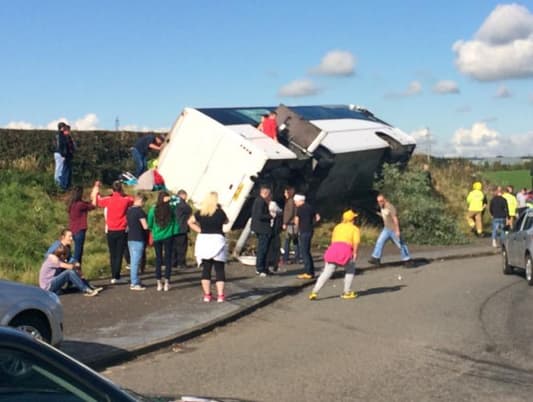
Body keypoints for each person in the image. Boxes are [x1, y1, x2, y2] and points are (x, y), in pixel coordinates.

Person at [309, 210, 360, 300]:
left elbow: (333, 240)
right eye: (354, 218)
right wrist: (355, 253)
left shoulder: (337, 227)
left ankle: (314, 292)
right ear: (352, 219)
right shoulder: (355, 229)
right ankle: (346, 292)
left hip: (333, 250)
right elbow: (355, 243)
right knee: (350, 269)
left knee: (326, 273)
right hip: (345, 250)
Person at [188, 191, 229, 303]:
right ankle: (220, 295)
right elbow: (226, 221)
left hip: (204, 240)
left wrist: (200, 230)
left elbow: (190, 222)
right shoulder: (220, 212)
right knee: (219, 269)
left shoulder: (200, 212)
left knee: (206, 269)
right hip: (217, 240)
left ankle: (207, 295)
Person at [92, 180, 133, 284]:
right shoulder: (125, 200)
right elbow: (133, 199)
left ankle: (113, 275)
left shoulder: (108, 200)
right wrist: (123, 193)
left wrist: (96, 188)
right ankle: (116, 276)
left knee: (112, 254)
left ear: (112, 189)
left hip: (110, 230)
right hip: (121, 229)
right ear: (121, 189)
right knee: (119, 254)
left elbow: (97, 201)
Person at [368, 193, 413, 267]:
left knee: (401, 244)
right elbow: (384, 215)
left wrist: (397, 230)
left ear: (385, 199)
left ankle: (407, 260)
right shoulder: (382, 207)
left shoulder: (390, 207)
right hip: (386, 229)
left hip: (393, 229)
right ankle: (376, 258)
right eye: (378, 201)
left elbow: (395, 219)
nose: (380, 203)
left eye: (381, 201)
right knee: (380, 241)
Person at [147, 191, 178, 291]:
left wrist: (153, 230)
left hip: (157, 236)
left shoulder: (153, 209)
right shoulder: (171, 209)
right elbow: (175, 220)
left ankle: (158, 283)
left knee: (158, 259)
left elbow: (150, 223)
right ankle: (167, 282)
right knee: (168, 258)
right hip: (168, 235)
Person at [68, 186, 95, 267]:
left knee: (77, 251)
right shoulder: (80, 205)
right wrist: (94, 196)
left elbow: (86, 204)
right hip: (80, 230)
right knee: (78, 253)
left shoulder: (72, 204)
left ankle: (77, 270)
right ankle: (75, 270)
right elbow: (92, 206)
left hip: (73, 229)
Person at [294, 194, 320, 279]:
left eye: (295, 201)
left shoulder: (300, 209)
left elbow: (296, 220)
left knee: (304, 252)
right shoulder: (310, 207)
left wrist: (296, 229)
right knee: (307, 251)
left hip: (303, 231)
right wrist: (312, 224)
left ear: (299, 201)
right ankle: (311, 271)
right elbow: (317, 217)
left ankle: (308, 272)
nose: (295, 203)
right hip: (310, 230)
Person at [127, 193, 148, 290]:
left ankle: (135, 280)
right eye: (144, 202)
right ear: (140, 200)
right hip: (138, 238)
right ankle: (134, 282)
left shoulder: (129, 210)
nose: (144, 204)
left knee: (133, 261)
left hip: (130, 237)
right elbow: (145, 226)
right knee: (136, 262)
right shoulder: (140, 212)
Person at [251, 186, 273, 277]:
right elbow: (260, 215)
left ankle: (263, 267)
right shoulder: (261, 202)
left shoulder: (258, 201)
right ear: (265, 193)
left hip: (259, 227)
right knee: (262, 249)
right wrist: (270, 216)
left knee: (264, 248)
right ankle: (260, 268)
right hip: (262, 228)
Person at [172, 189, 193, 269]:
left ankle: (173, 262)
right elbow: (189, 210)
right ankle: (181, 263)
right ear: (182, 195)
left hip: (173, 228)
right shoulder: (182, 204)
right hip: (181, 228)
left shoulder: (172, 203)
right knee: (182, 247)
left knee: (173, 246)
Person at [282, 186, 300, 264]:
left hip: (290, 224)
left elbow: (289, 213)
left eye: (285, 192)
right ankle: (297, 257)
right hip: (294, 223)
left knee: (287, 241)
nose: (284, 194)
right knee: (295, 241)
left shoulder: (290, 201)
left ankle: (286, 257)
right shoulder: (293, 201)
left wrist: (285, 222)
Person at [57, 124, 76, 190]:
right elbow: (62, 147)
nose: (69, 132)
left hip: (69, 155)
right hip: (65, 156)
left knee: (68, 171)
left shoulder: (68, 137)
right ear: (65, 131)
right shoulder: (63, 138)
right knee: (64, 171)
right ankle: (63, 185)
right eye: (68, 131)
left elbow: (71, 146)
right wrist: (63, 155)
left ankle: (67, 185)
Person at [266, 200, 283, 272]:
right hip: (272, 230)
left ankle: (272, 264)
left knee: (272, 248)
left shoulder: (270, 204)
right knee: (272, 248)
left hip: (272, 230)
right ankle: (272, 264)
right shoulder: (272, 205)